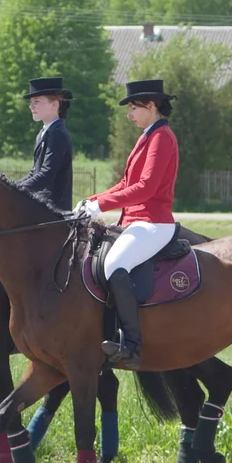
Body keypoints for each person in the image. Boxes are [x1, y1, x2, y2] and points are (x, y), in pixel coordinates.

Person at [74, 79, 179, 370]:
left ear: (152, 106)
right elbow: (126, 183)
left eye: (134, 107)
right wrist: (91, 200)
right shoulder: (147, 135)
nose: (129, 114)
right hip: (135, 220)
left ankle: (131, 344)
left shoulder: (162, 137)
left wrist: (102, 205)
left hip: (154, 223)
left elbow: (146, 188)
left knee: (114, 265)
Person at [16, 77, 74, 210]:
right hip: (42, 206)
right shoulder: (43, 134)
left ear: (54, 105)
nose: (31, 106)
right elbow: (34, 173)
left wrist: (15, 190)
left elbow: (46, 175)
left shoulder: (57, 134)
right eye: (31, 102)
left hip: (54, 211)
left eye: (36, 101)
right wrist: (11, 186)